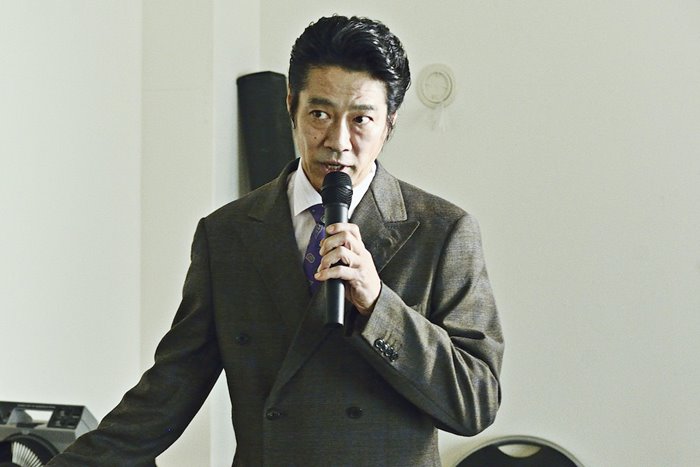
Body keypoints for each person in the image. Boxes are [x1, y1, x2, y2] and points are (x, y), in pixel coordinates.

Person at [48, 15, 503, 466]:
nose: (338, 141)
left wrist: (377, 304)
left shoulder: (442, 231)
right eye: (320, 114)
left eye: (361, 119)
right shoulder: (226, 234)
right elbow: (167, 392)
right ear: (291, 106)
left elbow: (475, 403)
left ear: (389, 124)